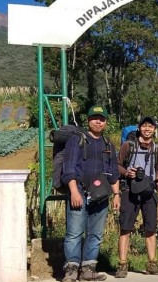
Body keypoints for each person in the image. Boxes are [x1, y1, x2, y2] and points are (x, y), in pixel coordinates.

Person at [61, 105, 121, 282]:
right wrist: (73, 191)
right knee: (74, 233)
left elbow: (113, 172)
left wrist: (116, 194)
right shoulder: (77, 140)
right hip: (79, 191)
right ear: (88, 120)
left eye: (101, 118)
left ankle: (88, 269)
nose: (98, 121)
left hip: (101, 194)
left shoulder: (108, 144)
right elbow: (69, 168)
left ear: (105, 122)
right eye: (94, 118)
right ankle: (71, 270)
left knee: (95, 234)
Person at [116, 116, 158, 278]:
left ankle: (152, 263)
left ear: (154, 129)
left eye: (150, 126)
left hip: (149, 190)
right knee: (125, 228)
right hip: (129, 190)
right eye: (144, 126)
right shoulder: (127, 146)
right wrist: (127, 172)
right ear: (139, 128)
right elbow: (117, 166)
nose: (147, 129)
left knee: (151, 229)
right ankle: (122, 264)